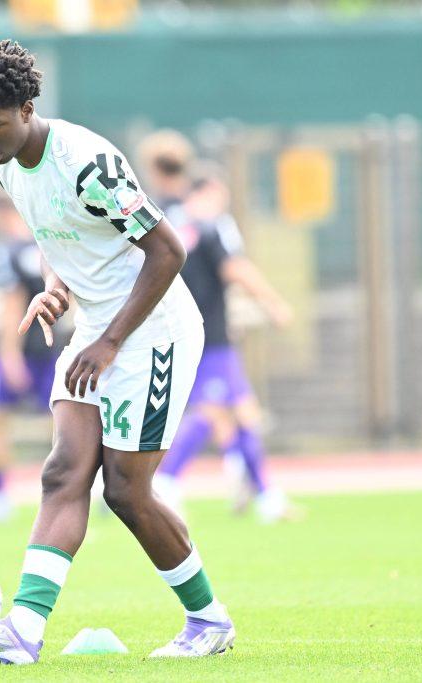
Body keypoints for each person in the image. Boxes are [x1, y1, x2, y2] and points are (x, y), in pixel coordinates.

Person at [0, 39, 234, 664]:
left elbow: (168, 251)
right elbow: (60, 237)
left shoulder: (87, 164)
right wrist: (56, 287)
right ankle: (23, 631)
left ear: (25, 108)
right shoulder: (7, 163)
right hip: (99, 331)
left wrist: (111, 340)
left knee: (126, 492)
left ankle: (208, 621)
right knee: (63, 472)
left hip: (153, 333)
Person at [140, 138, 296, 523]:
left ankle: (262, 492)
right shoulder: (209, 225)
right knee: (211, 412)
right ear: (206, 190)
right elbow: (235, 269)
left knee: (242, 412)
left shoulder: (160, 218)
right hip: (208, 335)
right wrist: (273, 303)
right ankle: (167, 481)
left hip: (180, 330)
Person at [0, 181, 63, 527]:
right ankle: (80, 492)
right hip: (53, 345)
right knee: (66, 426)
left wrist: (9, 355)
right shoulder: (46, 242)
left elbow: (13, 302)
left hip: (21, 347)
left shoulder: (4, 250)